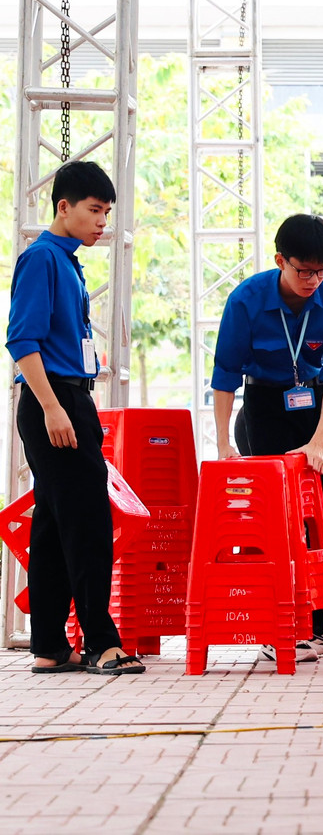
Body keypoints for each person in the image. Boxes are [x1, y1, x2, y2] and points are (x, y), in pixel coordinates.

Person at [210, 213, 323, 660]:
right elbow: (225, 378)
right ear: (281, 260)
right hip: (264, 409)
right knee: (278, 521)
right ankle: (276, 627)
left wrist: (320, 442)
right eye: (304, 270)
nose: (313, 280)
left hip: (316, 409)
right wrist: (224, 445)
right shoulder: (246, 300)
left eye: (322, 270)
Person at [7, 161, 145, 676]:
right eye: (93, 211)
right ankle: (102, 643)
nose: (101, 223)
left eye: (106, 213)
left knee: (52, 524)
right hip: (55, 402)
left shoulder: (67, 261)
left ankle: (48, 644)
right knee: (88, 521)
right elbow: (22, 341)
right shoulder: (42, 258)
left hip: (71, 398)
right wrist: (51, 408)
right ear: (63, 207)